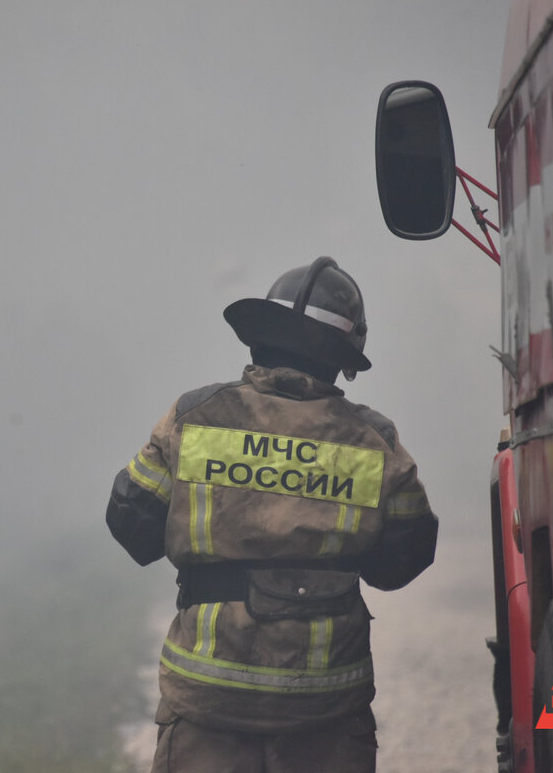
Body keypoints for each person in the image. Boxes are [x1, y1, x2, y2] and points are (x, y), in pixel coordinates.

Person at [106, 257, 438, 773]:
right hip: (326, 710)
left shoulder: (193, 416)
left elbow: (131, 527)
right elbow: (403, 561)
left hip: (206, 704)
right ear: (342, 358)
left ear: (259, 337)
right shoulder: (376, 441)